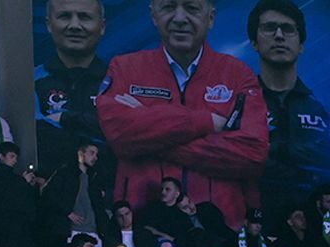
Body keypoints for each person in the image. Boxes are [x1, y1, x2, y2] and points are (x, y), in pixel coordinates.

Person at [95, 0, 269, 229]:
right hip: (142, 230)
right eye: (168, 7)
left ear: (211, 18)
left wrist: (149, 134)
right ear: (153, 15)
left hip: (220, 231)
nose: (179, 18)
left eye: (192, 8)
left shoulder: (238, 75)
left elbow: (253, 154)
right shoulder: (124, 68)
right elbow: (117, 134)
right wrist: (204, 121)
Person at [250, 0, 330, 216]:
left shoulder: (322, 107)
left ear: (301, 44)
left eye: (288, 29)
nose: (278, 35)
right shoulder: (239, 103)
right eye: (269, 28)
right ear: (254, 42)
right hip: (257, 220)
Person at [34, 0, 110, 179]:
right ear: (49, 25)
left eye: (85, 17)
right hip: (52, 194)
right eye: (64, 16)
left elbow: (122, 133)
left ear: (102, 26)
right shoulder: (32, 80)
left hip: (107, 193)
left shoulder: (118, 80)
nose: (75, 25)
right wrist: (93, 130)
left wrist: (64, 118)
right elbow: (37, 133)